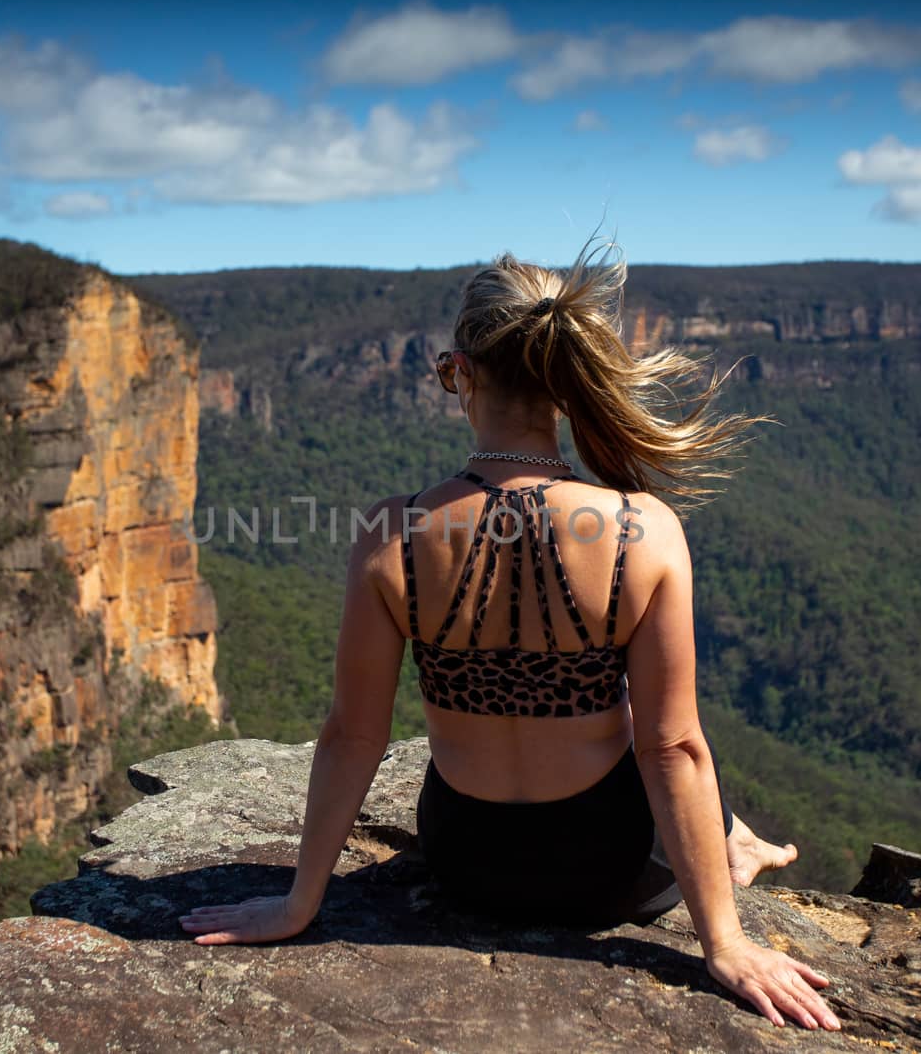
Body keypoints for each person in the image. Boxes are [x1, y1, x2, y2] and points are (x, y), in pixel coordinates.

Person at [179, 240, 841, 1032]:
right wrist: (724, 942)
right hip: (613, 871)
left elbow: (353, 735)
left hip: (469, 862)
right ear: (565, 379)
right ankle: (732, 845)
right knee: (657, 727)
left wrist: (299, 901)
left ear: (460, 371)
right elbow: (676, 752)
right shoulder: (644, 531)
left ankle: (736, 839)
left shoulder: (392, 533)